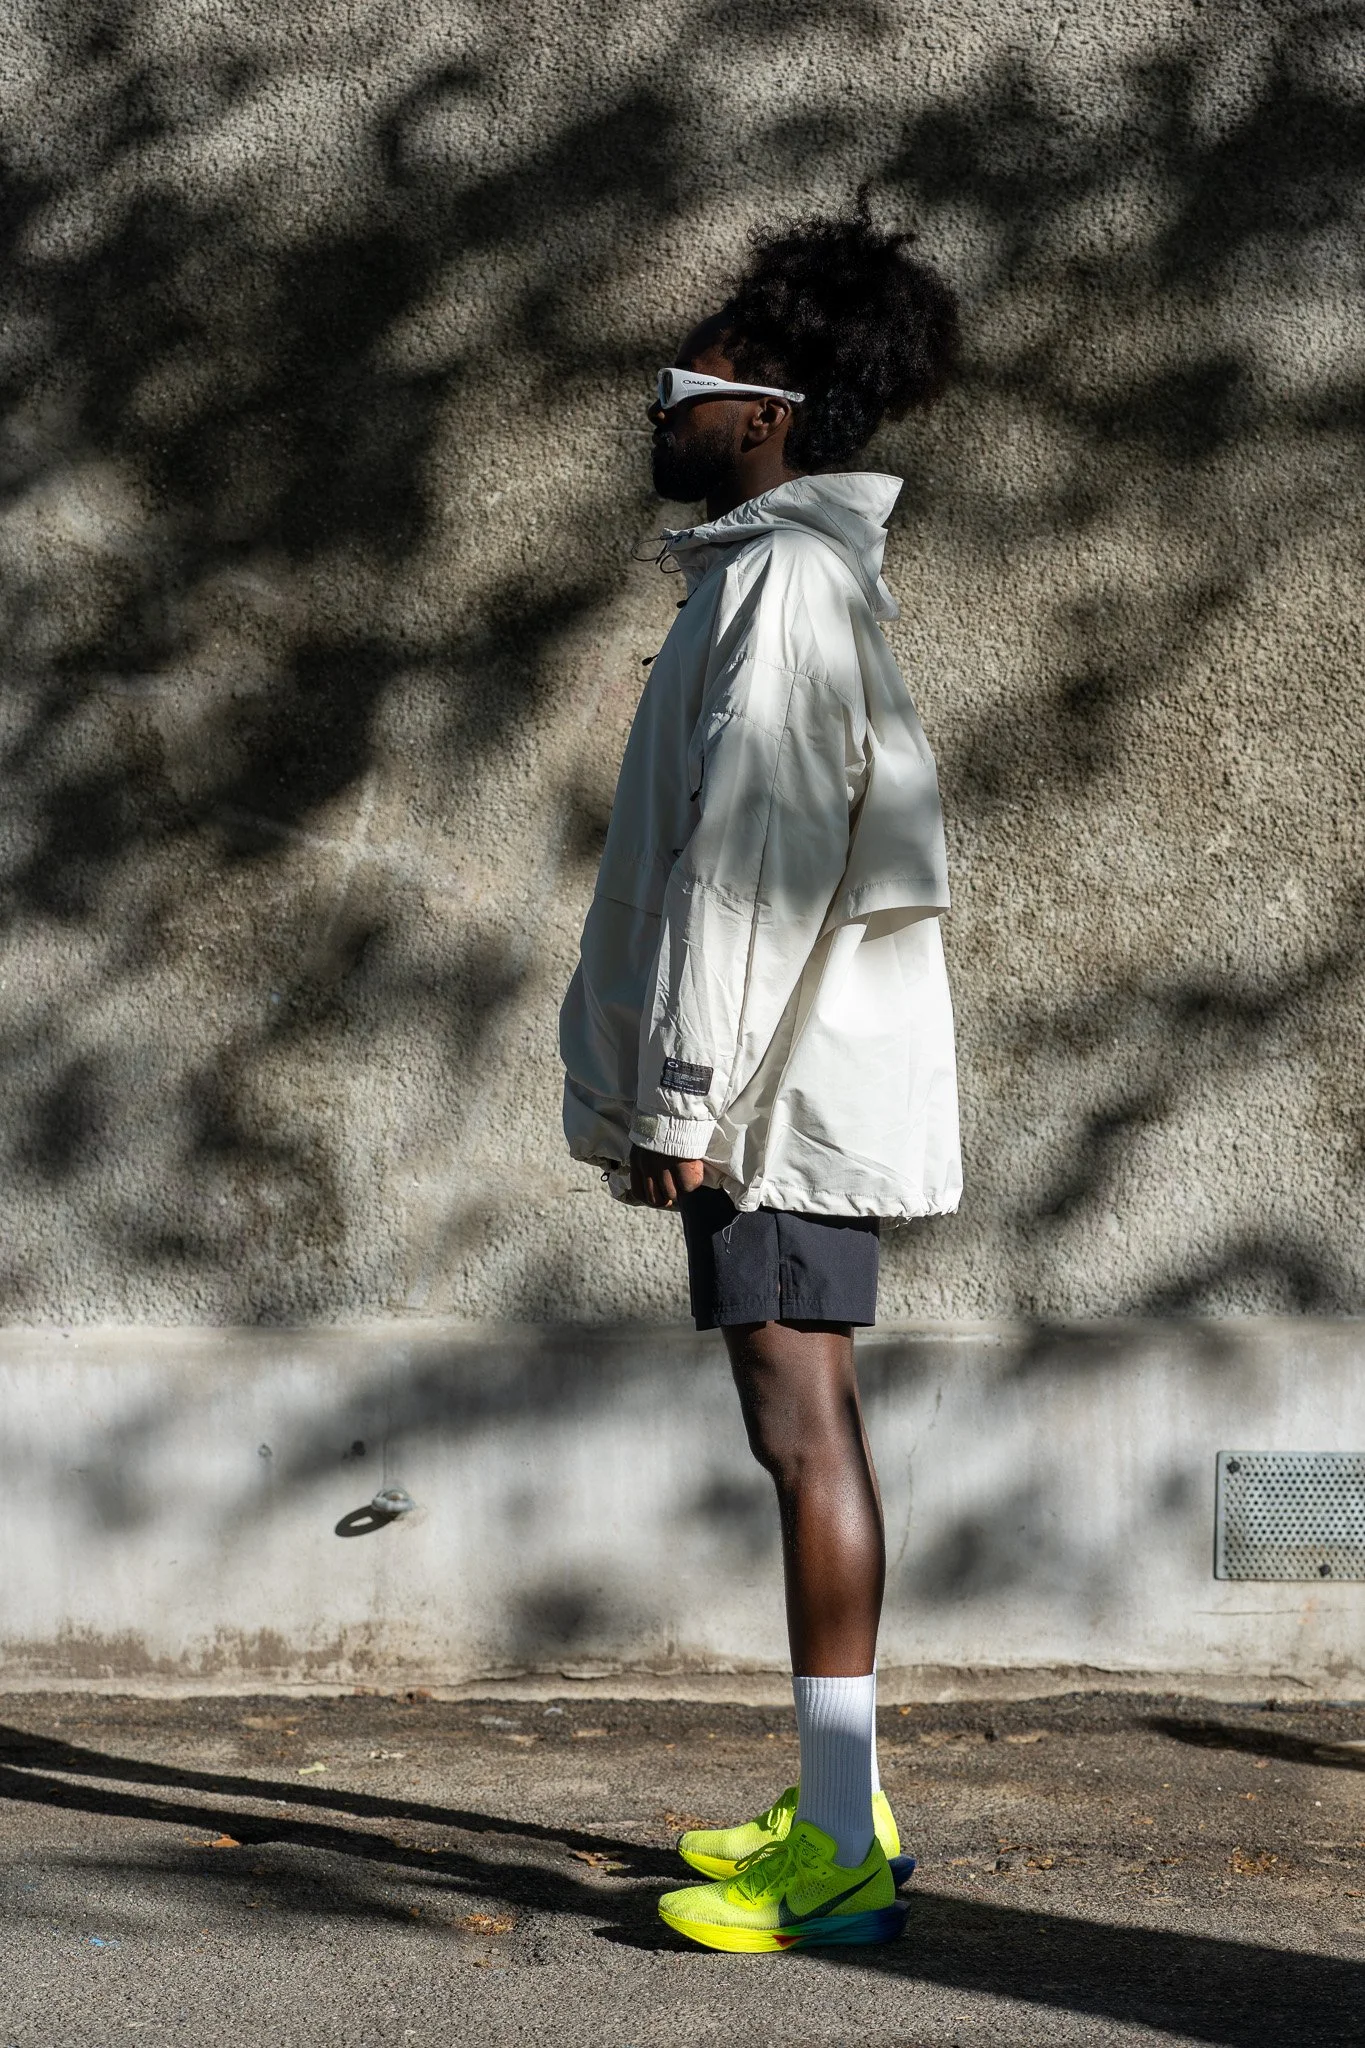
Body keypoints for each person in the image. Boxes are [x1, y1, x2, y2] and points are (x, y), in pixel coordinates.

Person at [558, 196, 962, 1953]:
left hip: (769, 1100)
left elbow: (755, 871)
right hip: (768, 1093)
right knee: (798, 1426)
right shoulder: (782, 575)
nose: (666, 396)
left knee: (801, 1436)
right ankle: (838, 1796)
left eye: (692, 371)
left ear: (769, 405)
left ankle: (846, 1852)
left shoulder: (788, 583)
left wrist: (685, 1102)